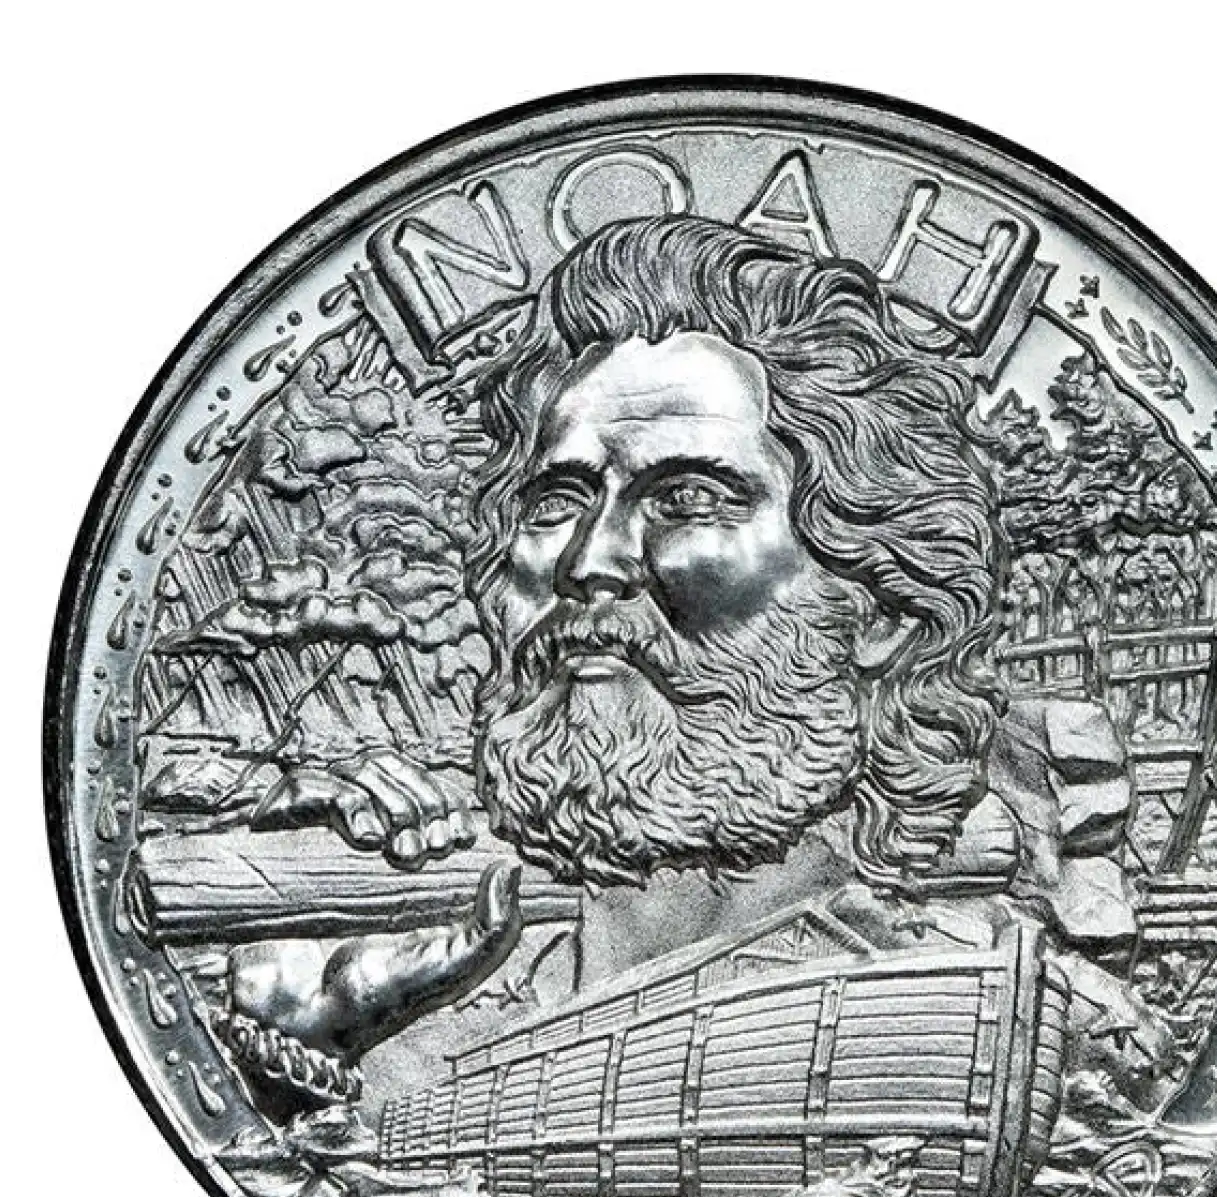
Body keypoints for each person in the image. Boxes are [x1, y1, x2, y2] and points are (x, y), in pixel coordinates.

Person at [236, 216, 1169, 1110]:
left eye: (686, 499)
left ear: (882, 604)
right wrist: (299, 1050)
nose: (588, 562)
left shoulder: (1012, 1035)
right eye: (556, 503)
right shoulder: (389, 1034)